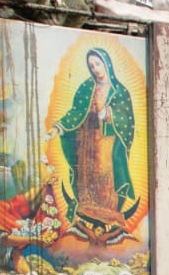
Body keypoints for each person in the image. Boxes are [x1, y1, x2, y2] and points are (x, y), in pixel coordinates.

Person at [49, 47, 138, 245]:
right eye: (91, 66)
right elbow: (76, 111)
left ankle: (108, 217)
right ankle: (86, 215)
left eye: (98, 64)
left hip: (107, 142)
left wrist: (110, 115)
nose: (96, 69)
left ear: (106, 64)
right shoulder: (86, 88)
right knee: (86, 176)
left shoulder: (120, 91)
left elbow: (128, 121)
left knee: (105, 176)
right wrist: (58, 127)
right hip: (86, 139)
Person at [0, 174, 57, 275]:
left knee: (14, 250)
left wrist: (43, 184)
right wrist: (35, 240)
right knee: (5, 249)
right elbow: (4, 240)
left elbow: (22, 200)